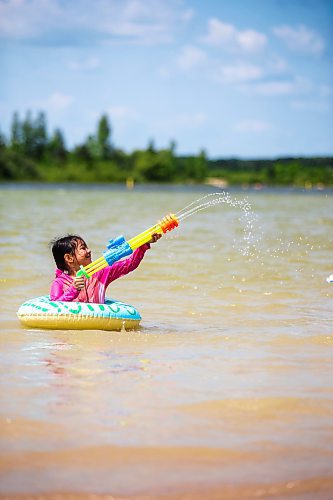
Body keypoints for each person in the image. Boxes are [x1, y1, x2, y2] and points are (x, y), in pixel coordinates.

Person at [49, 233, 161, 303]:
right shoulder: (59, 283)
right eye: (83, 248)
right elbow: (54, 306)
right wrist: (73, 290)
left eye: (87, 247)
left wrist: (143, 245)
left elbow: (129, 264)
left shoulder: (101, 273)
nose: (89, 250)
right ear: (69, 258)